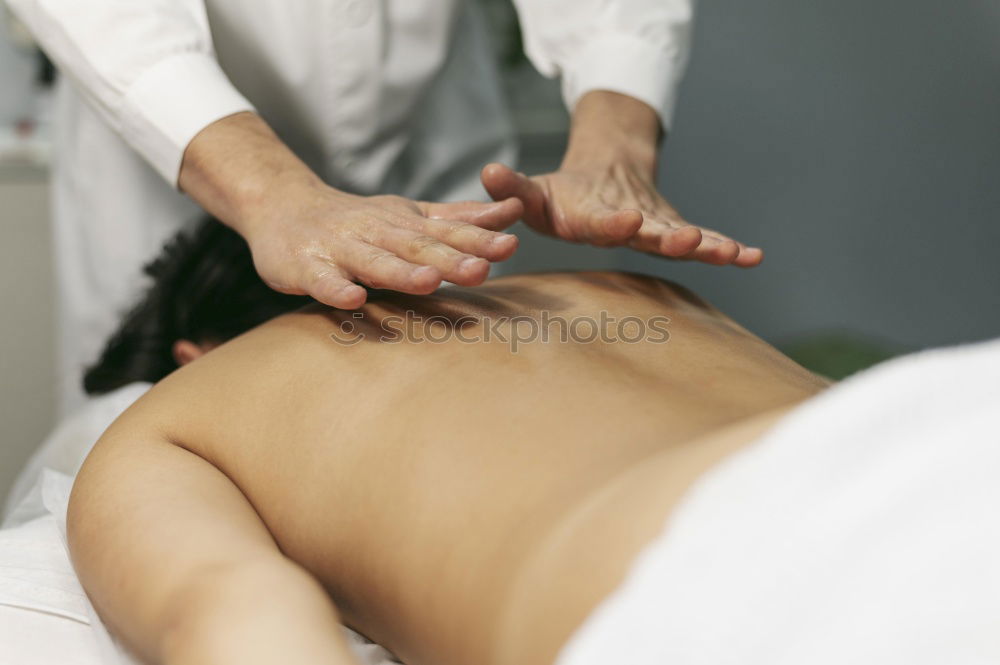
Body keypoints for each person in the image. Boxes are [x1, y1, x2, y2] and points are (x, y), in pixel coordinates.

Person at [6, 0, 765, 415]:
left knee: (466, 385)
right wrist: (270, 192)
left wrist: (615, 148)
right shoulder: (179, 449)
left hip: (428, 124)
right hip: (171, 144)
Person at [68, 262, 824, 665]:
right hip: (922, 433)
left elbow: (238, 617)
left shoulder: (181, 413)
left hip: (710, 584)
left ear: (189, 357)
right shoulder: (623, 287)